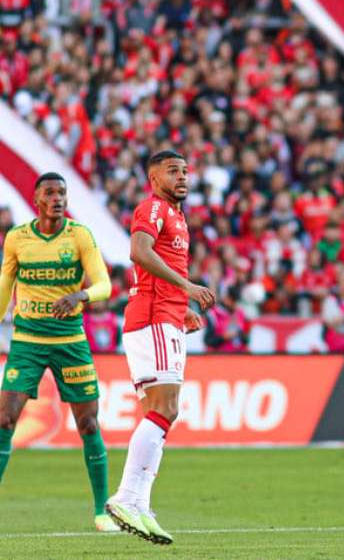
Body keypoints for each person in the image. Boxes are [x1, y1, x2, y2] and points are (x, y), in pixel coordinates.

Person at [106, 150, 215, 545]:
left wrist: (180, 306)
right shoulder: (152, 208)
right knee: (165, 409)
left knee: (161, 412)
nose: (183, 177)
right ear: (154, 178)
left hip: (164, 315)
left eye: (186, 170)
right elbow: (138, 251)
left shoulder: (178, 216)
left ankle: (140, 502)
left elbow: (155, 266)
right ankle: (126, 497)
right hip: (152, 318)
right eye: (173, 171)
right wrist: (186, 288)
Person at [0, 173, 118, 532]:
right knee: (5, 419)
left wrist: (80, 295)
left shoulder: (80, 235)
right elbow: (5, 285)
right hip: (28, 341)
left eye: (62, 192)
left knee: (88, 423)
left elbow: (104, 284)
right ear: (37, 198)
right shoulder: (17, 237)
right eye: (50, 193)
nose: (58, 198)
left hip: (70, 342)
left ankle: (102, 511)